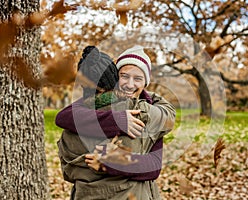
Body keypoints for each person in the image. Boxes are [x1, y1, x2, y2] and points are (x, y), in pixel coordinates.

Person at [56, 45, 176, 200]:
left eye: (138, 78)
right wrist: (115, 120)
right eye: (124, 76)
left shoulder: (74, 123)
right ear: (114, 77)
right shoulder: (146, 114)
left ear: (146, 83)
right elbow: (63, 116)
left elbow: (154, 166)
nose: (130, 84)